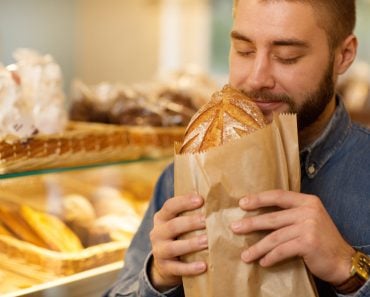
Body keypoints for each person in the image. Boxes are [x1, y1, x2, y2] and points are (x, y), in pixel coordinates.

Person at [104, 0, 370, 296]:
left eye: (287, 57)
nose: (256, 78)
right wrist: (157, 278)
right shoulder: (183, 175)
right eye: (244, 50)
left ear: (343, 56)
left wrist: (349, 269)